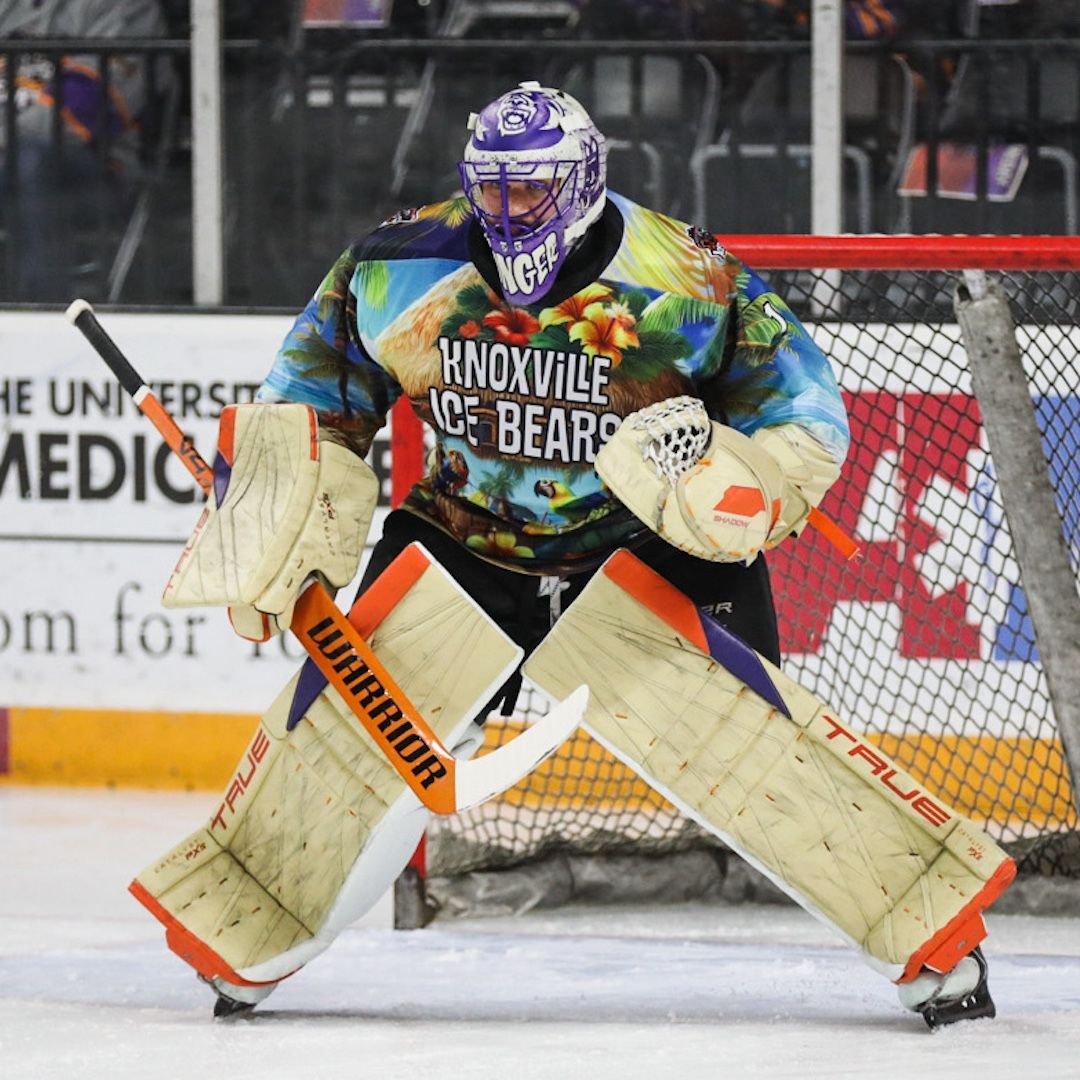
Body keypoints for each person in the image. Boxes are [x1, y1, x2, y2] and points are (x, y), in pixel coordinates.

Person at [147, 81, 1007, 1027]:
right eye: (494, 189)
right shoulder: (397, 262)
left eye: (533, 191)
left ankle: (937, 937)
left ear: (585, 180)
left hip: (644, 543)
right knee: (346, 742)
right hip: (469, 537)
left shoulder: (684, 276)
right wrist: (273, 516)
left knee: (754, 751)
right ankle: (246, 934)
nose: (509, 212)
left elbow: (800, 408)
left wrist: (745, 488)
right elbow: (312, 400)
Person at [0, 0, 170, 302]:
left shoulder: (126, 9)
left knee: (29, 159)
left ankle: (41, 309)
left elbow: (85, 105)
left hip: (99, 169)